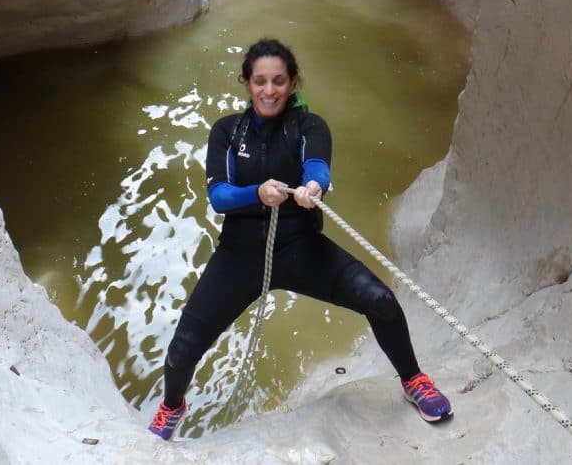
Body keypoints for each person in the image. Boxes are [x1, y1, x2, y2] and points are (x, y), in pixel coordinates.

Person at [148, 38, 452, 441]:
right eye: (260, 81)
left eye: (278, 81)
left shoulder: (308, 126)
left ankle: (413, 380)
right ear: (246, 84)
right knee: (181, 351)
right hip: (239, 254)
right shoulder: (227, 131)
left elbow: (317, 167)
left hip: (300, 247)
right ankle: (173, 405)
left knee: (380, 300)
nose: (269, 90)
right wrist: (257, 193)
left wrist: (313, 187)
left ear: (292, 83)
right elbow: (219, 196)